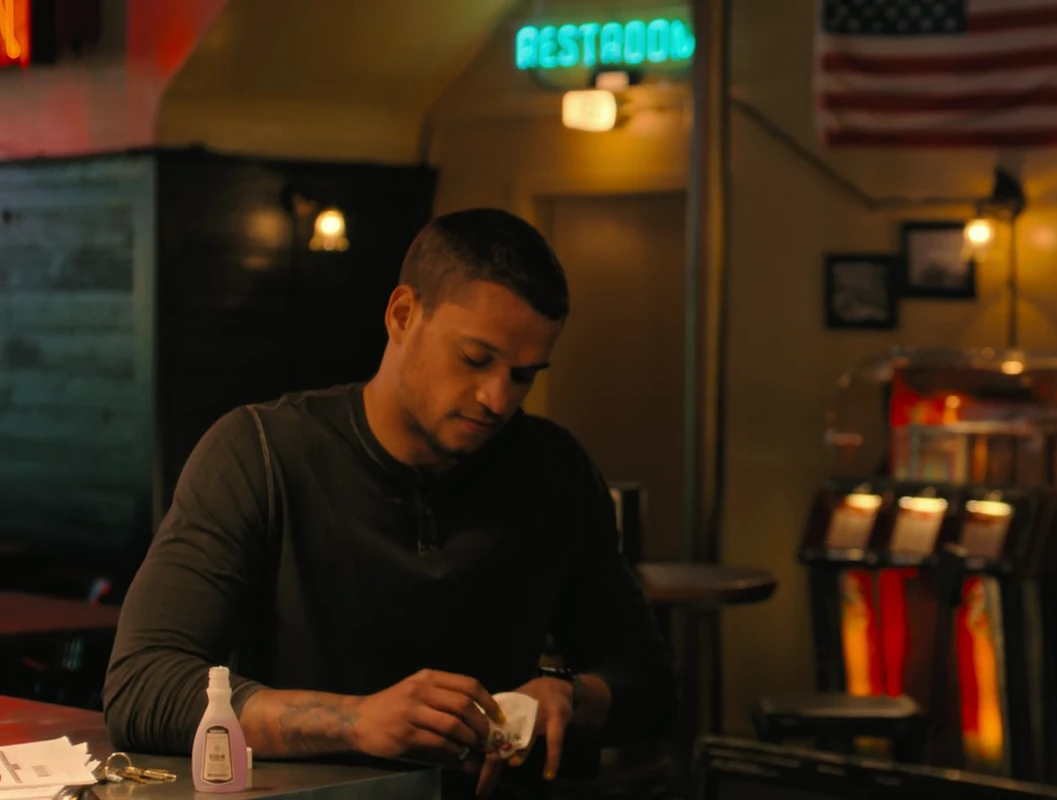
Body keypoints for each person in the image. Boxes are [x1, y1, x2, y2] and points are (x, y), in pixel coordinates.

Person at [104, 208, 677, 797]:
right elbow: (143, 683)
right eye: (475, 359)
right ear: (403, 315)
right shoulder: (261, 454)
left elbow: (650, 683)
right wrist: (355, 721)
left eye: (523, 375)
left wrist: (571, 697)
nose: (497, 398)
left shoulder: (553, 471)